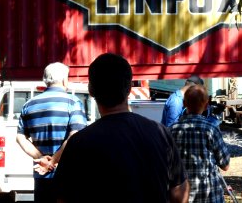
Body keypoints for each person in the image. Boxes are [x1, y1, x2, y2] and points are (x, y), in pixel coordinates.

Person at [53, 53, 189, 203]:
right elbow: (179, 193)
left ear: (91, 90)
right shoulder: (161, 133)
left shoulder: (78, 144)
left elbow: (62, 198)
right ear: (130, 88)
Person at [16, 62, 88, 203]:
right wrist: (53, 161)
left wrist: (42, 158)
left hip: (41, 175)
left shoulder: (29, 104)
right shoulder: (73, 102)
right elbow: (76, 136)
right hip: (68, 177)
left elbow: (20, 137)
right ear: (64, 79)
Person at [170, 84, 230, 203]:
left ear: (184, 104)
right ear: (206, 105)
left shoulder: (171, 130)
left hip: (182, 198)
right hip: (210, 197)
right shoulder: (211, 129)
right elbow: (225, 165)